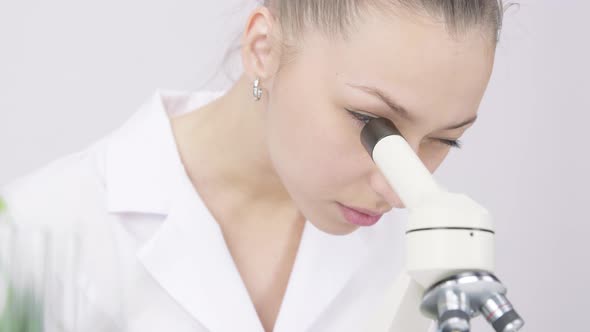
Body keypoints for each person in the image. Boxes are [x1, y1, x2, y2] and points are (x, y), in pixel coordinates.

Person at [0, 0, 509, 331]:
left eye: (446, 140)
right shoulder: (34, 231)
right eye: (371, 121)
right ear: (262, 49)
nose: (400, 191)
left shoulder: (422, 250)